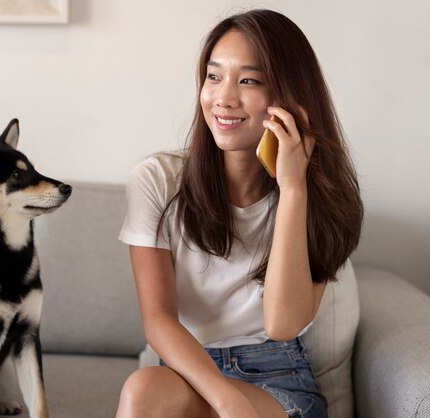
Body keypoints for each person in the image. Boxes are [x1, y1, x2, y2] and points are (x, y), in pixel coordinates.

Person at [116, 9, 363, 418]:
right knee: (141, 390)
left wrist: (294, 188)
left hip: (279, 377)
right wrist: (227, 400)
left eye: (248, 80)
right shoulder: (157, 180)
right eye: (214, 76)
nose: (223, 97)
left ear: (289, 98)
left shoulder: (323, 199)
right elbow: (158, 320)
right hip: (187, 373)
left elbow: (283, 325)